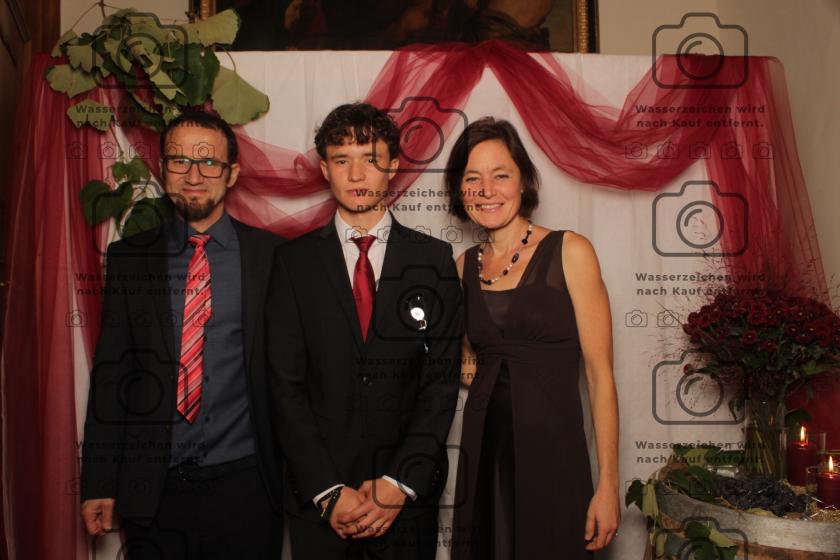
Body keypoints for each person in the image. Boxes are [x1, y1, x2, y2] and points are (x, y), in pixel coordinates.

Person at [79, 111, 285, 558]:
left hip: (248, 491)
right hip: (152, 493)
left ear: (232, 173)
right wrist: (98, 481)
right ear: (162, 169)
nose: (194, 175)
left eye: (209, 162)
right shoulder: (130, 259)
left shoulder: (273, 257)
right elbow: (113, 377)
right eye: (180, 161)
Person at [265, 102, 463, 560]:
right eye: (342, 160)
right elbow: (285, 387)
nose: (356, 174)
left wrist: (398, 483)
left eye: (370, 159)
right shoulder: (292, 263)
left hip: (406, 503)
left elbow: (440, 383)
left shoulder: (433, 261)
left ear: (392, 166)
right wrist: (327, 490)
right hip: (320, 502)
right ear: (324, 170)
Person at [447, 117, 621, 559]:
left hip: (554, 454)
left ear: (524, 181)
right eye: (472, 178)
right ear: (459, 190)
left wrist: (608, 485)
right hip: (483, 455)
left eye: (500, 175)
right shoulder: (461, 267)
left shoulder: (570, 251)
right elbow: (469, 353)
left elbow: (600, 376)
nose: (486, 190)